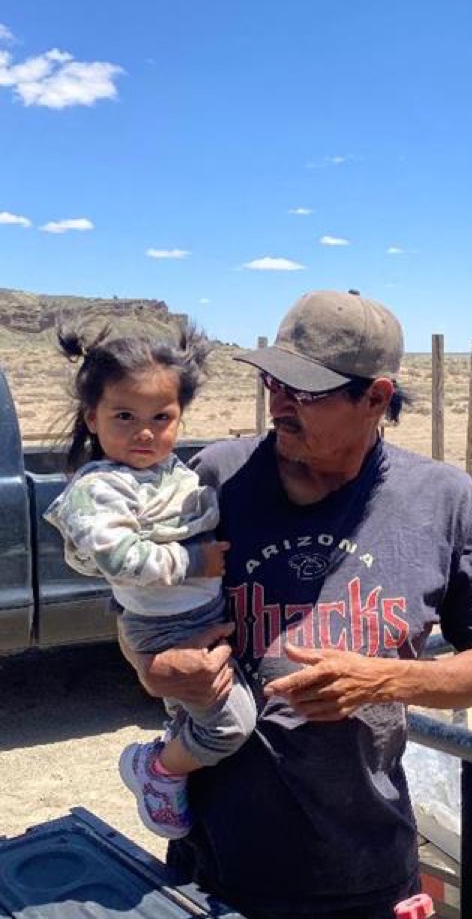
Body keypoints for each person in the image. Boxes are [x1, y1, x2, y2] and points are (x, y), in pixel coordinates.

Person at [120, 290, 472, 919]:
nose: (278, 405)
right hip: (217, 864)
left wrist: (386, 680)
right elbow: (135, 607)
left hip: (365, 874)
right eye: (272, 381)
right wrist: (150, 666)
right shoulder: (213, 478)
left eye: (305, 391)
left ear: (375, 397)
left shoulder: (443, 499)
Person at [43, 324, 257, 840]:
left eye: (161, 418)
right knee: (231, 724)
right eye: (125, 417)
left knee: (210, 710)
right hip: (164, 628)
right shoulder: (99, 488)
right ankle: (160, 770)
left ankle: (175, 755)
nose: (145, 432)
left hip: (197, 617)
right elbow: (118, 557)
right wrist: (193, 562)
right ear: (93, 417)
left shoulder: (170, 472)